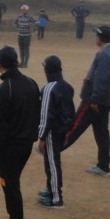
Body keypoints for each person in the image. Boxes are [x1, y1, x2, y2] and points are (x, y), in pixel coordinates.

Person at [0, 46, 40, 219]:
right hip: (25, 144)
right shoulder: (31, 83)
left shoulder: (3, 90)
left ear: (0, 64)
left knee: (10, 185)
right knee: (10, 184)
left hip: (10, 147)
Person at [65, 25, 110, 177]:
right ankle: (103, 165)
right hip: (106, 100)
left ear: (101, 38)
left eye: (97, 36)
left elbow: (101, 79)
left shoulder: (104, 54)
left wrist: (94, 100)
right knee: (102, 132)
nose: (95, 38)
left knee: (75, 126)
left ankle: (51, 149)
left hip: (94, 100)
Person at [35, 55, 75, 209]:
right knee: (52, 162)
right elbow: (70, 113)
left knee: (52, 163)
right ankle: (51, 189)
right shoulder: (67, 87)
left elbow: (46, 116)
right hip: (62, 130)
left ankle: (56, 199)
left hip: (52, 132)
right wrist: (67, 132)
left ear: (47, 70)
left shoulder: (48, 89)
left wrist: (42, 137)